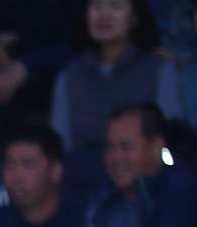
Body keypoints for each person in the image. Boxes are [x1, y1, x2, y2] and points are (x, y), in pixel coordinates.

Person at [52, 0, 188, 206]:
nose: (104, 15)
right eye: (96, 7)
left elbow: (173, 141)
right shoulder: (70, 75)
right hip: (82, 190)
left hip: (149, 190)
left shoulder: (159, 69)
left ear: (134, 18)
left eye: (115, 6)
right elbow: (59, 148)